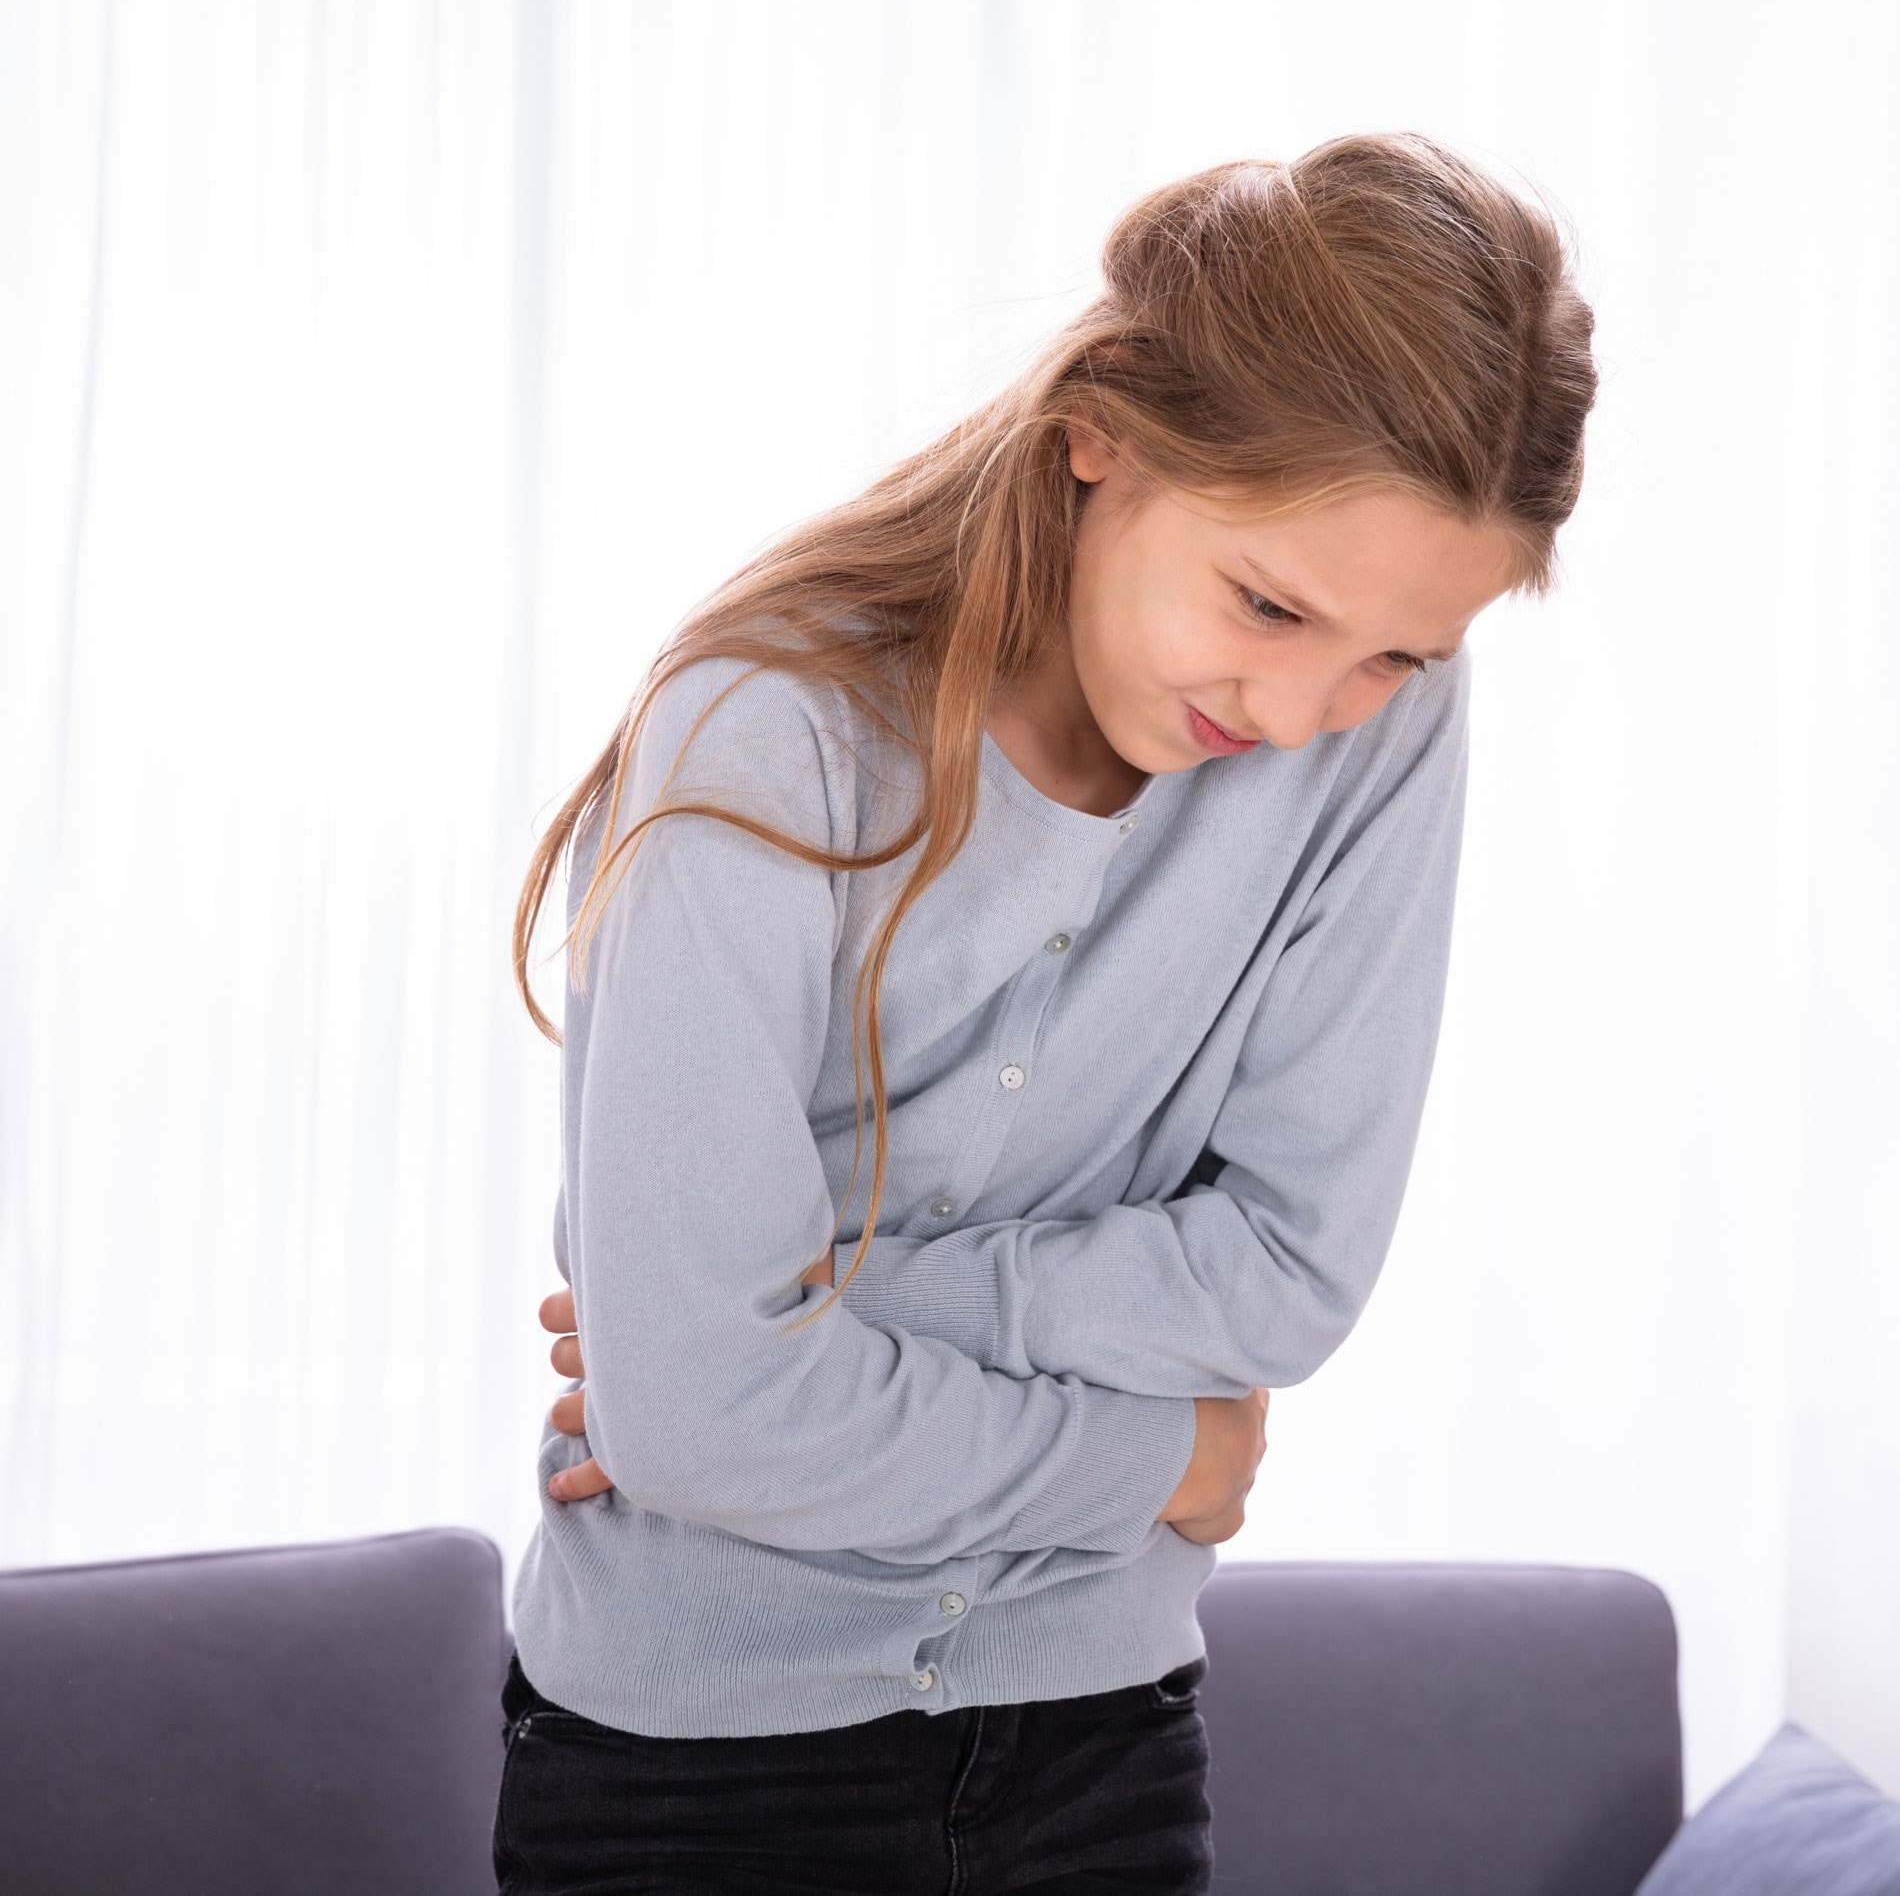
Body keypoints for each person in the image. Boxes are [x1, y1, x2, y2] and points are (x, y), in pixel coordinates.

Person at [496, 132, 1598, 1894]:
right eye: (1269, 604)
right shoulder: (762, 733)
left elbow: (1290, 1271)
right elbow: (700, 1410)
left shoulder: (1381, 736)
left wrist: (811, 1311)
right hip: (695, 1769)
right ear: (1104, 435)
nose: (1314, 713)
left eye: (1400, 653)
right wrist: (1166, 1453)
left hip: (1103, 1735)